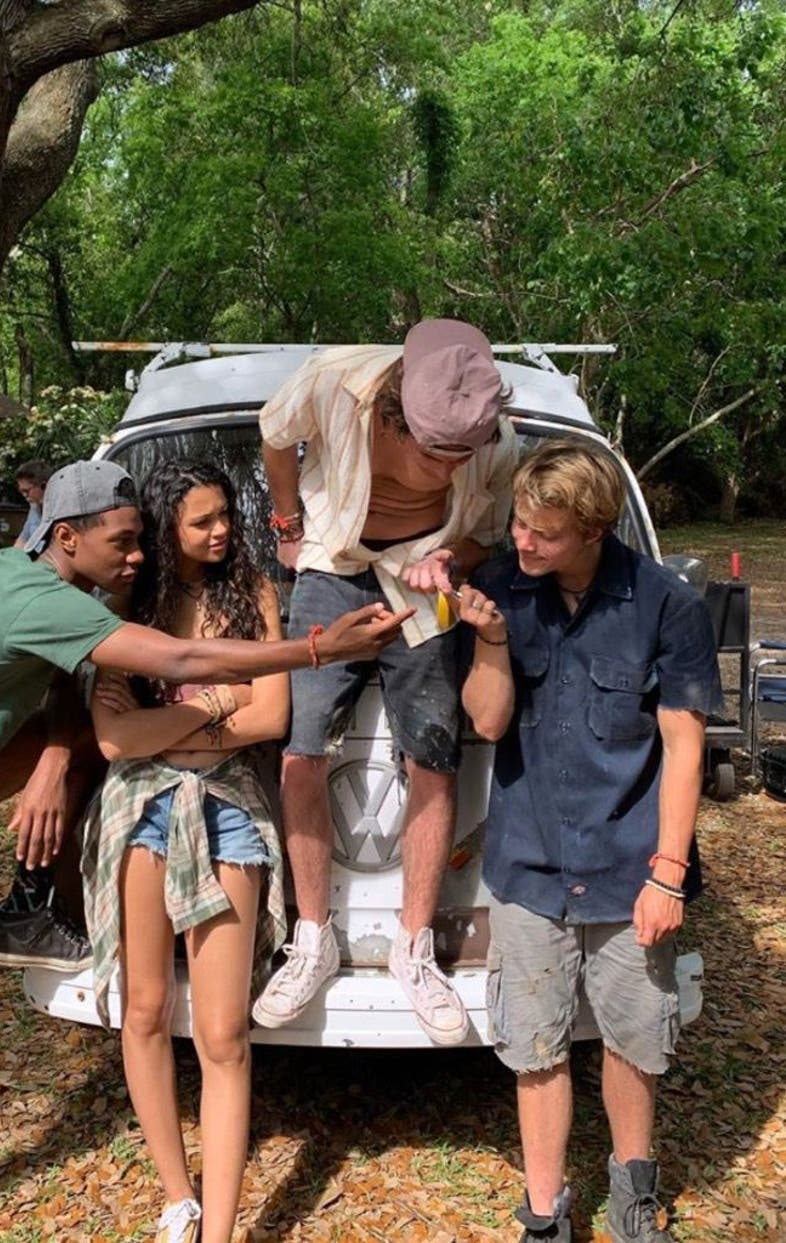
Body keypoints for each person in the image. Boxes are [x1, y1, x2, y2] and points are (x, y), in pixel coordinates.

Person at [0, 458, 410, 1243]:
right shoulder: (48, 599)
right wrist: (313, 650)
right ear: (67, 537)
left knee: (79, 745)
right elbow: (173, 674)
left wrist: (59, 757)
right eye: (124, 541)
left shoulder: (18, 569)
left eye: (141, 540)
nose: (137, 553)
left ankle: (33, 899)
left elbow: (79, 694)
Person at [458, 441, 721, 1243]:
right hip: (531, 866)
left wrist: (669, 871)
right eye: (518, 524)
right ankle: (545, 1214)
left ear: (595, 528)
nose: (522, 542)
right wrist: (493, 641)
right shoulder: (502, 588)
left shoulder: (664, 603)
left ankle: (634, 1201)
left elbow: (683, 745)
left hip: (628, 864)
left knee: (634, 1039)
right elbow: (488, 721)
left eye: (543, 531)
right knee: (535, 1047)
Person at [252, 319, 518, 1044]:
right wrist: (285, 520)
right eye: (439, 454)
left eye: (468, 452)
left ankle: (414, 946)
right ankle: (312, 936)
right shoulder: (335, 380)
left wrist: (447, 560)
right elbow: (275, 433)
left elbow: (485, 529)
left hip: (421, 574)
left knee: (433, 751)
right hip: (332, 563)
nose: (454, 467)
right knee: (302, 746)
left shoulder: (498, 441)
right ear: (397, 414)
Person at [85, 460, 289, 1243]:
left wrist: (165, 725)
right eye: (202, 519)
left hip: (229, 813)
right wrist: (212, 703)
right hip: (141, 810)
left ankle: (224, 1227)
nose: (221, 531)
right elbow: (113, 738)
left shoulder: (255, 595)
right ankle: (179, 1197)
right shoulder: (131, 607)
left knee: (223, 1032)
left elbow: (270, 716)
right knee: (143, 1010)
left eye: (225, 515)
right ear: (167, 525)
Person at [13, 459, 51, 549]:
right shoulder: (34, 508)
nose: (24, 495)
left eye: (26, 491)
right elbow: (22, 540)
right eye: (21, 491)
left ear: (44, 486)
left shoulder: (61, 510)